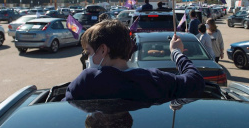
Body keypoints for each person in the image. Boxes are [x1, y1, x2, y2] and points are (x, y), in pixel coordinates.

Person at [66, 20, 204, 101]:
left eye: (88, 52)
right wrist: (176, 52)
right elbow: (195, 81)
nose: (88, 58)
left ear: (103, 50)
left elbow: (63, 109)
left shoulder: (87, 80)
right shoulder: (153, 79)